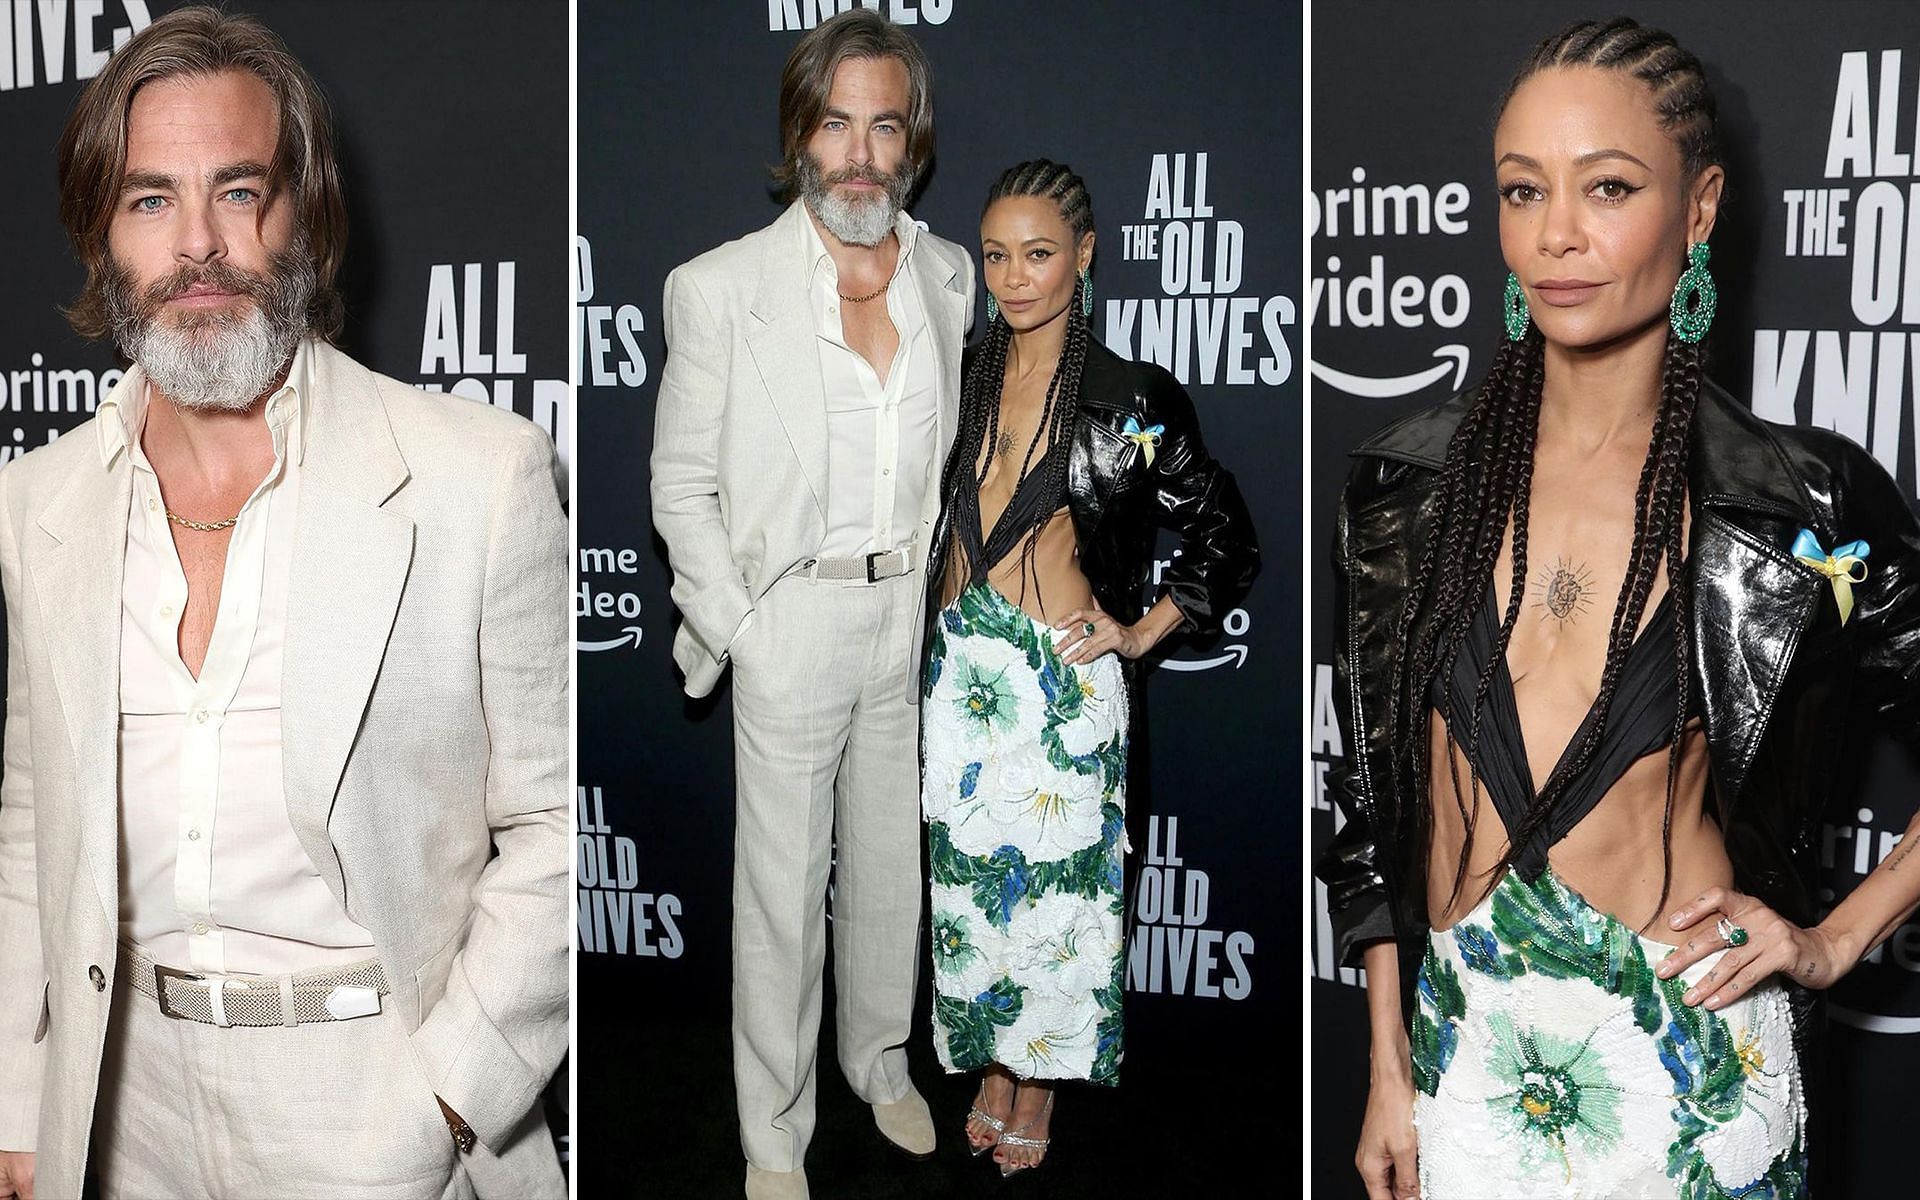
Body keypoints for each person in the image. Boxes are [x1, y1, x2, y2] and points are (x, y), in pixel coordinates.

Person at [1316, 17, 1920, 1200]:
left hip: (1686, 1085)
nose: (1557, 236)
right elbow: (1371, 798)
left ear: (1699, 211)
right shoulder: (1406, 482)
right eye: (1522, 190)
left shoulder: (1796, 501)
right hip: (1462, 1064)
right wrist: (1388, 1065)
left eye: (1608, 187)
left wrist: (1833, 939)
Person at [0, 9, 569, 1200]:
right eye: (151, 200)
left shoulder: (478, 477)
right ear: (102, 236)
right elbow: (33, 821)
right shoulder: (37, 500)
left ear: (302, 208)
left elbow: (556, 836)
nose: (199, 246)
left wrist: (441, 1104)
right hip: (118, 1112)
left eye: (239, 191)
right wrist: (19, 1096)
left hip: (374, 1100)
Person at [647, 10, 971, 1198]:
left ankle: (881, 1064)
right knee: (780, 899)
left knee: (892, 871)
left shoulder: (948, 275)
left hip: (907, 628)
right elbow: (682, 483)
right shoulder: (723, 288)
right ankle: (773, 1134)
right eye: (837, 124)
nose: (861, 154)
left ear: (912, 140)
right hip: (791, 621)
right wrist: (739, 625)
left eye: (884, 125)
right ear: (800, 136)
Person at [920, 160, 1258, 1177]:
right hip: (961, 682)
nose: (1014, 278)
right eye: (994, 257)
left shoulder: (1132, 399)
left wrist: (1143, 629)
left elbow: (1223, 532)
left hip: (1064, 690)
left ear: (1085, 254)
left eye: (1037, 254)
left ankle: (1039, 1083)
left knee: (1060, 906)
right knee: (975, 894)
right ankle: (992, 1060)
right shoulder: (966, 371)